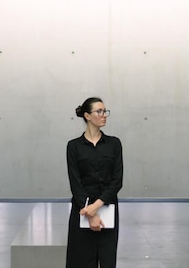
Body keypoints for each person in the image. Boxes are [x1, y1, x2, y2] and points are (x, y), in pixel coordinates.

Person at [66, 97, 123, 268]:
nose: (104, 115)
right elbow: (75, 184)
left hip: (107, 209)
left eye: (105, 111)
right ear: (87, 115)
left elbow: (117, 181)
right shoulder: (74, 146)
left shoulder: (114, 143)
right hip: (82, 210)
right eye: (99, 111)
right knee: (81, 261)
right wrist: (90, 212)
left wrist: (95, 207)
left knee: (107, 261)